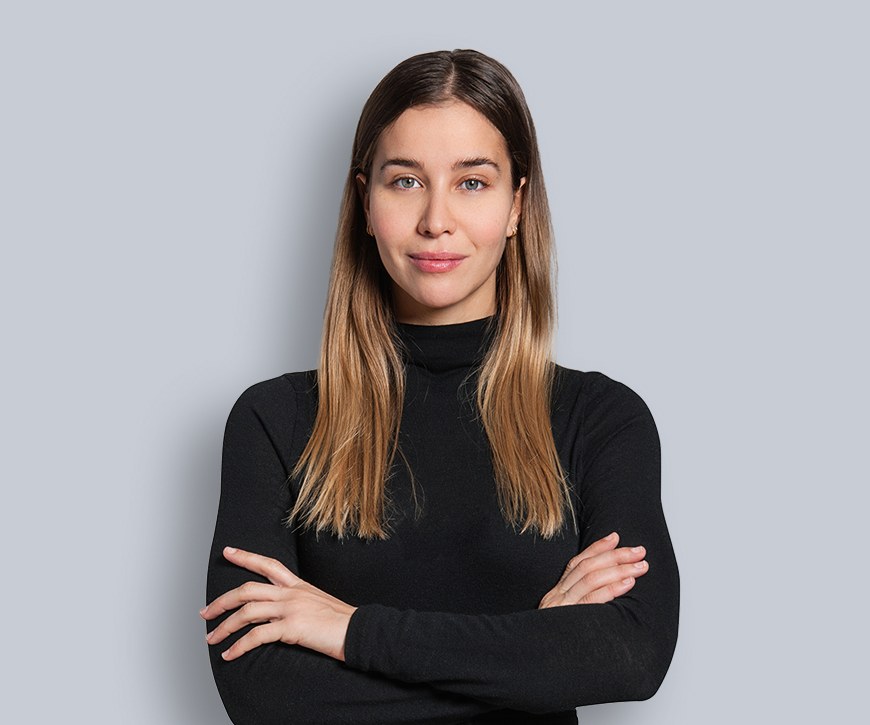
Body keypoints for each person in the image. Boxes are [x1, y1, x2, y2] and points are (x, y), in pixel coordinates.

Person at [201, 48, 679, 724]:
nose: (436, 219)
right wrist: (532, 649)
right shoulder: (275, 421)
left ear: (517, 204)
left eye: (472, 182)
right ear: (364, 202)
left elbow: (632, 654)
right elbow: (263, 692)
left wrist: (349, 631)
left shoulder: (600, 419)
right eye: (405, 181)